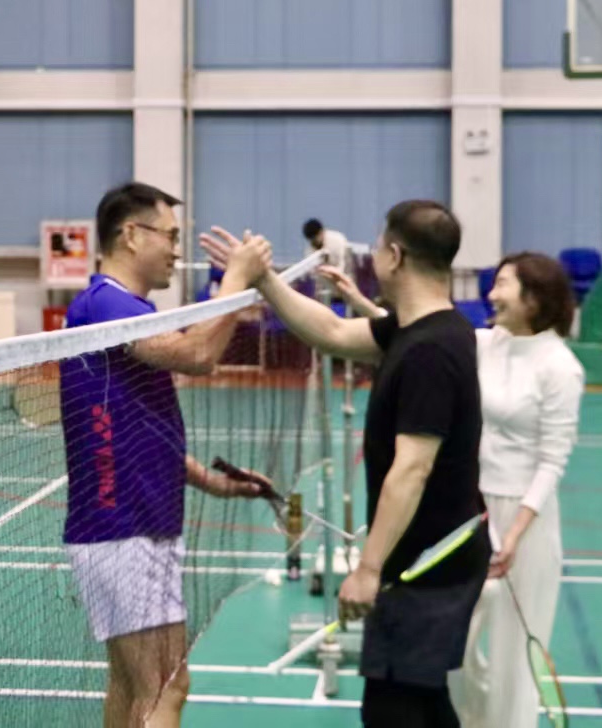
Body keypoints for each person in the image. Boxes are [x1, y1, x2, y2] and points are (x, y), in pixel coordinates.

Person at [205, 201, 489, 728]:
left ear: (395, 256)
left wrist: (367, 569)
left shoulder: (429, 350)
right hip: (432, 555)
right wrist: (264, 279)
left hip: (427, 564)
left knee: (391, 710)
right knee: (421, 702)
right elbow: (333, 333)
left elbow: (412, 469)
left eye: (378, 246)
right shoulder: (421, 328)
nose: (373, 255)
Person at [59, 182, 267, 728]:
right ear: (131, 234)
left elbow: (141, 430)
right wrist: (235, 281)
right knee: (167, 689)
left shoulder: (128, 308)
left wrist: (211, 482)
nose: (177, 249)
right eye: (170, 236)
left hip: (131, 523)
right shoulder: (107, 302)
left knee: (132, 688)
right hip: (123, 527)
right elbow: (197, 353)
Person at [458, 254, 584, 728]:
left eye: (502, 285)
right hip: (474, 508)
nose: (491, 294)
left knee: (515, 661)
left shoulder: (560, 367)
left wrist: (513, 535)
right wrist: (359, 301)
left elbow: (552, 462)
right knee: (453, 643)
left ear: (533, 299)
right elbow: (421, 336)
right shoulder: (488, 343)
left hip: (525, 521)